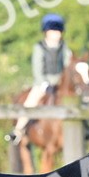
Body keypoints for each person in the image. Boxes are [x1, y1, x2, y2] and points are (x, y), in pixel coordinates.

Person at [6, 13, 71, 143]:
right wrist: (44, 83)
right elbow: (37, 68)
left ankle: (87, 129)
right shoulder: (39, 47)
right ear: (46, 32)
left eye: (58, 31)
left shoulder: (64, 47)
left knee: (75, 101)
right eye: (53, 31)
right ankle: (18, 130)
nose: (57, 34)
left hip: (59, 83)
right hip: (42, 83)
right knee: (30, 103)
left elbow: (67, 63)